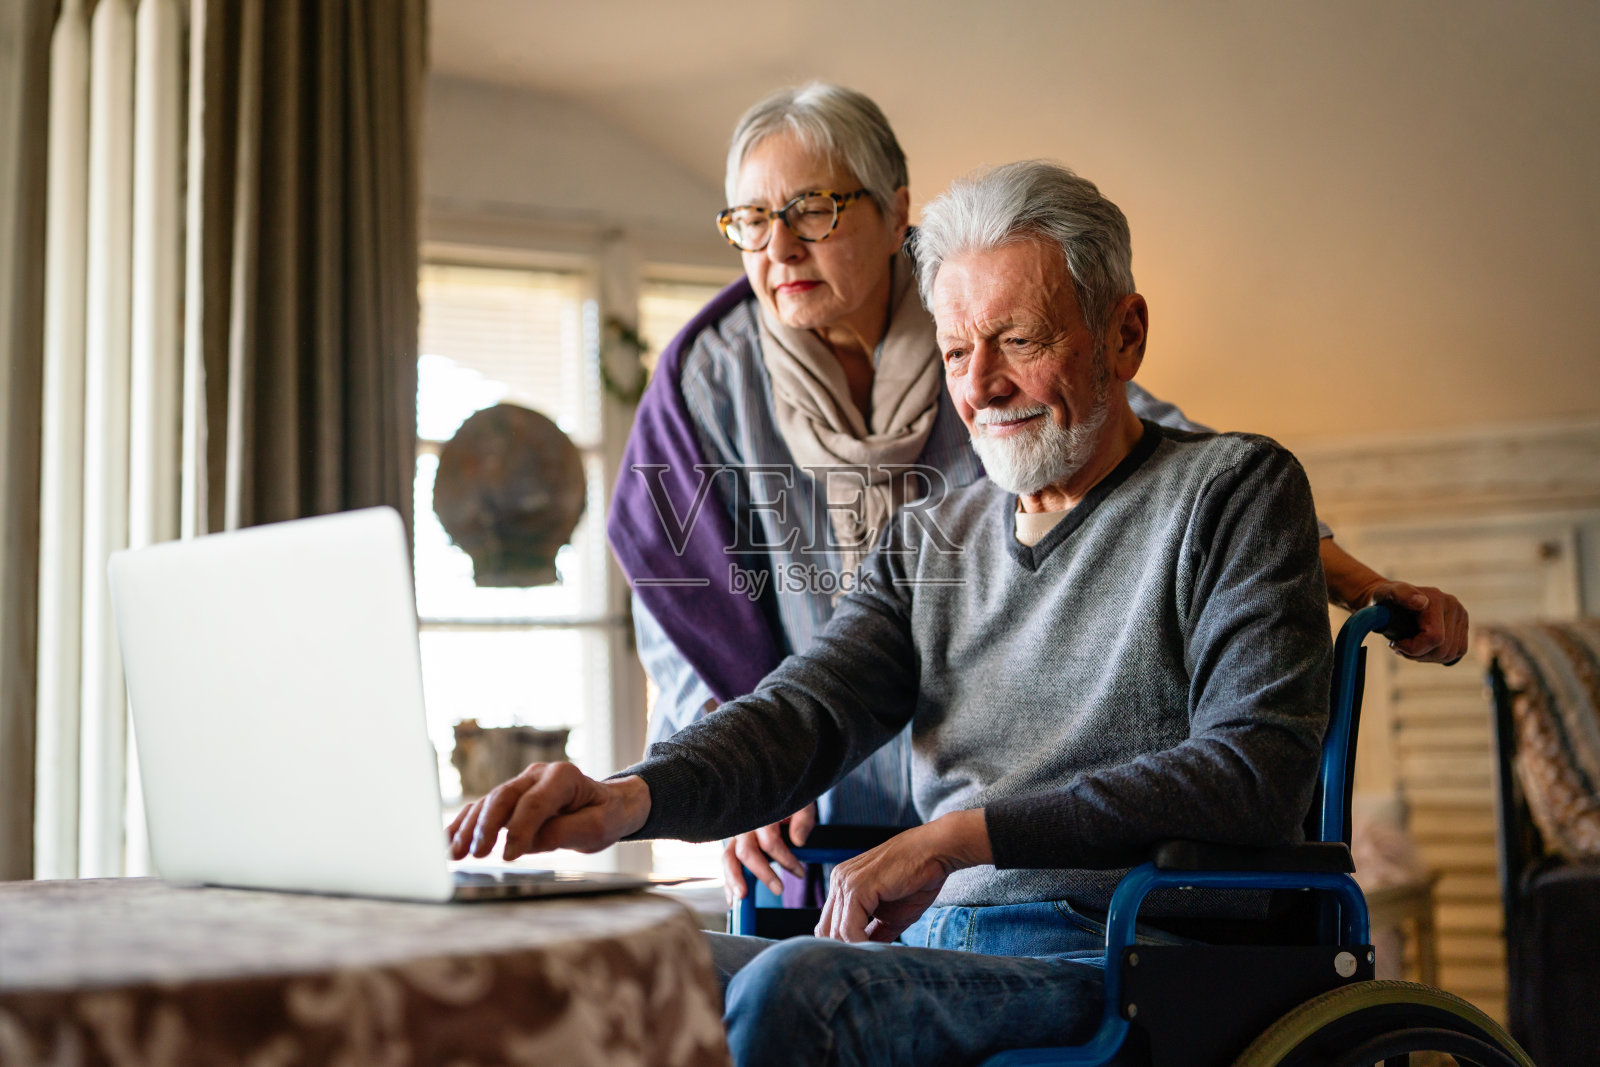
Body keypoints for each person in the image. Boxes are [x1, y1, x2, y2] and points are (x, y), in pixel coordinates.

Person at [458, 161, 1353, 1065]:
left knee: (796, 984)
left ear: (1124, 336)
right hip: (935, 960)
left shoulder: (1235, 490)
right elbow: (803, 712)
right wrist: (627, 797)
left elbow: (1253, 769)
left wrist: (960, 837)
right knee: (599, 962)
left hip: (1124, 962)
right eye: (959, 351)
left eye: (1020, 340)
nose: (983, 387)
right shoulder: (928, 538)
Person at [606, 83, 1469, 908]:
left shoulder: (976, 286)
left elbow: (1161, 450)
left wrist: (1353, 577)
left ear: (893, 210)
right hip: (822, 770)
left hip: (1022, 852)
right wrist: (667, 785)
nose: (779, 247)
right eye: (751, 220)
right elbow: (690, 606)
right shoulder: (710, 379)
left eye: (812, 210)